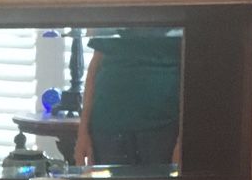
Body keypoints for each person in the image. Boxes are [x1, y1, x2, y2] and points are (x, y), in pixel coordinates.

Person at [74, 24, 183, 170]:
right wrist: (83, 132)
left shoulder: (176, 16)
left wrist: (182, 140)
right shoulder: (114, 14)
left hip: (163, 130)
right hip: (107, 129)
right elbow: (95, 66)